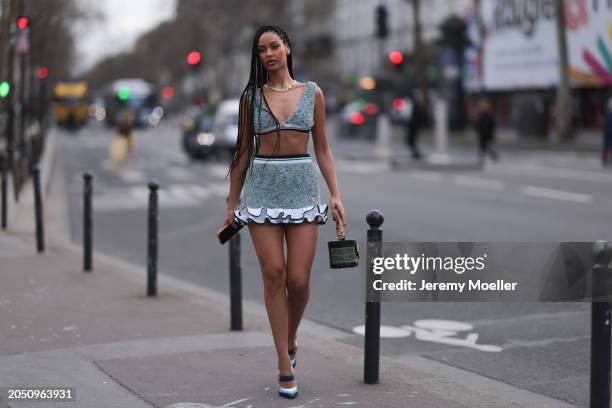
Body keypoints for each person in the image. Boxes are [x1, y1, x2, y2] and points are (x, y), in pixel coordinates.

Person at [224, 25, 346, 400]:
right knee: (273, 273)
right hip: (261, 189)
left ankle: (291, 338)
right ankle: (282, 361)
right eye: (261, 50)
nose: (268, 54)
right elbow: (243, 152)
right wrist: (232, 204)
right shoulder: (251, 98)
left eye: (274, 46)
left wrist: (336, 195)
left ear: (288, 48)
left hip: (302, 190)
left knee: (299, 281)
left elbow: (322, 149)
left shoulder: (313, 93)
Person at [474, 98, 498, 163]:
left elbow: (492, 125)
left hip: (487, 134)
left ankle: (492, 156)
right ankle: (483, 158)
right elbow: (477, 124)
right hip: (482, 134)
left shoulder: (488, 116)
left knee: (486, 147)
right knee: (483, 147)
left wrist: (491, 132)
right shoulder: (481, 116)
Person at [109, 110, 134, 174]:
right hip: (121, 140)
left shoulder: (127, 124)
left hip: (122, 140)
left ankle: (117, 167)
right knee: (118, 154)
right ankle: (116, 167)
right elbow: (128, 134)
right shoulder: (124, 123)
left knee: (120, 154)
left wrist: (131, 143)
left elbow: (129, 135)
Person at [405, 90, 425, 159]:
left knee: (410, 140)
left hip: (413, 125)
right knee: (410, 140)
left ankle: (416, 153)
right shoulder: (416, 105)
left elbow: (419, 116)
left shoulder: (415, 105)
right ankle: (415, 153)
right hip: (414, 125)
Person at [602, 98, 612, 167]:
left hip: (607, 132)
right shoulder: (608, 113)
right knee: (607, 146)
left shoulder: (607, 113)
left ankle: (605, 159)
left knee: (607, 146)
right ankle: (605, 159)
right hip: (608, 132)